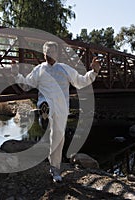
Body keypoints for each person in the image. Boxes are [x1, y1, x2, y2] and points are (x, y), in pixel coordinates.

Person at [11, 41, 101, 182]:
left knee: (58, 137)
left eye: (52, 52)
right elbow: (26, 85)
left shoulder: (65, 69)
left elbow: (80, 81)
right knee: (47, 107)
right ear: (44, 53)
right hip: (45, 103)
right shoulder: (39, 70)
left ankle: (55, 169)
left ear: (57, 53)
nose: (49, 55)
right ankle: (44, 115)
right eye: (46, 52)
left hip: (62, 108)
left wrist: (94, 72)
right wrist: (16, 75)